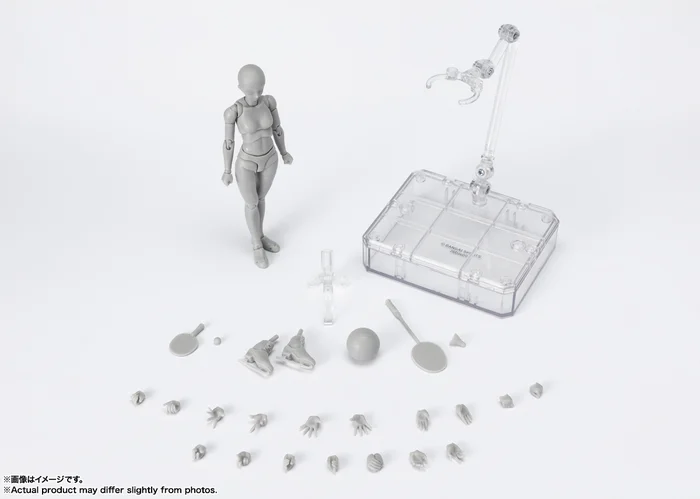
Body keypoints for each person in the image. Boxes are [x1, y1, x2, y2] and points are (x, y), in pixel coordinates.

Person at [221, 64, 293, 268]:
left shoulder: (268, 102)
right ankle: (256, 244)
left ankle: (260, 235)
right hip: (247, 162)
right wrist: (227, 170)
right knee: (251, 202)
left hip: (270, 158)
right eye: (251, 91)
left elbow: (277, 129)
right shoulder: (233, 111)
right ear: (240, 88)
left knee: (260, 199)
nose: (256, 95)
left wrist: (284, 152)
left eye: (260, 89)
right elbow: (228, 143)